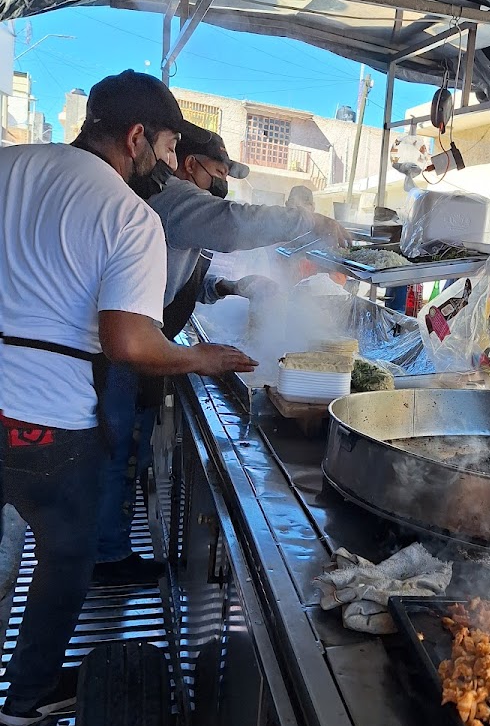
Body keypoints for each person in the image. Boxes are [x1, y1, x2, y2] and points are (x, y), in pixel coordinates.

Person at [0, 70, 256, 726]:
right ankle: (26, 702)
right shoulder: (127, 213)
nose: (170, 165)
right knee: (65, 555)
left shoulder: (10, 165)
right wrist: (205, 357)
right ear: (137, 137)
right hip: (50, 424)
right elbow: (128, 342)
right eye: (170, 149)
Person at [93, 124, 347, 586]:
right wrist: (310, 222)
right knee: (120, 452)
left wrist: (230, 285)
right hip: (126, 349)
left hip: (140, 342)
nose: (222, 181)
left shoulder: (180, 207)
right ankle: (107, 556)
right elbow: (235, 223)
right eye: (218, 171)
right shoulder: (175, 197)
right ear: (188, 162)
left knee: (128, 450)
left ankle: (108, 544)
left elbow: (183, 271)